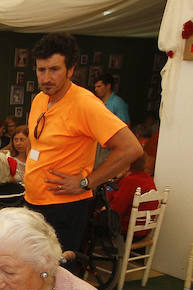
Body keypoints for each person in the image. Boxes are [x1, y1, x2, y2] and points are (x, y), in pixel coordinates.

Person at [25, 34, 142, 264]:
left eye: (55, 69)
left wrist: (86, 182)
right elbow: (37, 143)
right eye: (41, 70)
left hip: (64, 207)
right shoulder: (40, 99)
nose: (47, 77)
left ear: (70, 70)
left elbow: (131, 148)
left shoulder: (85, 103)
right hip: (33, 201)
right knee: (30, 270)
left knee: (57, 275)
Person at [106, 155, 157, 237]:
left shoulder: (130, 181)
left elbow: (115, 212)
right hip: (143, 231)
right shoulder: (147, 178)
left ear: (127, 166)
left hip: (127, 232)